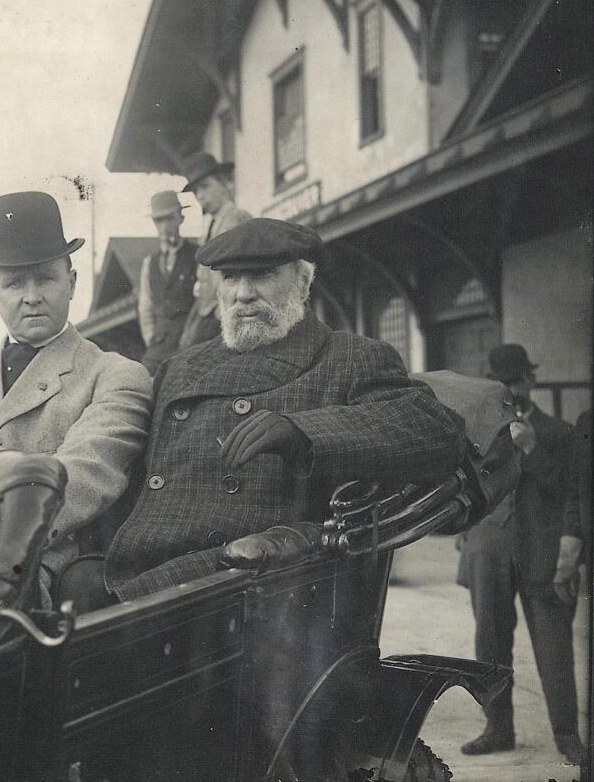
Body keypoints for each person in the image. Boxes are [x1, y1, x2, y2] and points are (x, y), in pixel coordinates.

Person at [106, 217, 467, 600]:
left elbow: (436, 430)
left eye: (262, 275)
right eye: (229, 278)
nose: (243, 294)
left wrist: (303, 432)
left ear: (302, 282)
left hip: (240, 586)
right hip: (132, 563)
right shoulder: (178, 368)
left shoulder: (348, 357)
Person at [0, 191, 151, 604]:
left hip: (47, 569)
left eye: (46, 278)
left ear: (71, 282)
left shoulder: (115, 375)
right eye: (14, 282)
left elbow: (86, 470)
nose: (32, 295)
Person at [456, 344, 585, 766]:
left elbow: (573, 494)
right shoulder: (476, 430)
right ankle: (498, 729)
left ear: (531, 380)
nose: (513, 389)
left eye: (519, 380)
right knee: (490, 644)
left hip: (542, 553)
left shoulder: (562, 433)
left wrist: (531, 449)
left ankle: (568, 737)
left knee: (554, 648)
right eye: (504, 382)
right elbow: (463, 487)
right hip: (488, 550)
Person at [176, 151, 251, 350]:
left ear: (224, 183)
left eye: (205, 187)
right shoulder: (210, 225)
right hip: (207, 310)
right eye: (195, 192)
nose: (200, 196)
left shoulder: (237, 218)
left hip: (225, 311)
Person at [136, 190, 195, 375]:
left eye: (170, 218)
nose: (165, 226)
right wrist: (152, 338)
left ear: (181, 218)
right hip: (159, 348)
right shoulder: (150, 263)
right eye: (159, 220)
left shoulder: (198, 256)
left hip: (190, 342)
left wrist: (192, 336)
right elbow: (146, 308)